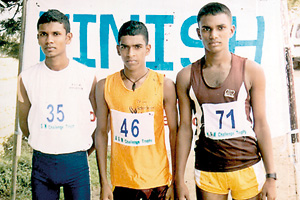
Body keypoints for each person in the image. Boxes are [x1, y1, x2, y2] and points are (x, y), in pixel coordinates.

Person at [175, 2, 276, 200]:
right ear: (198, 33)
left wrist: (271, 176)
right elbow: (185, 128)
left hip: (246, 166)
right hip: (208, 169)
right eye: (207, 29)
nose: (213, 35)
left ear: (231, 30)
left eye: (220, 28)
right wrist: (179, 179)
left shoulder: (251, 70)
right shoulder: (186, 76)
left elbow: (261, 123)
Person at [18, 9, 97, 199]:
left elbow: (100, 120)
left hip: (76, 161)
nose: (49, 40)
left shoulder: (86, 75)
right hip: (42, 162)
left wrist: (84, 150)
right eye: (43, 34)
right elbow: (25, 123)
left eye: (56, 34)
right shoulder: (26, 78)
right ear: (37, 38)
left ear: (68, 38)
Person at [95, 20, 178, 200]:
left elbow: (174, 132)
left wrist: (176, 180)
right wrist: (104, 182)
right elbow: (101, 133)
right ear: (118, 49)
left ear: (147, 49)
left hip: (157, 181)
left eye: (137, 47)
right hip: (122, 182)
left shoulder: (164, 85)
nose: (130, 53)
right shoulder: (105, 86)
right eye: (125, 47)